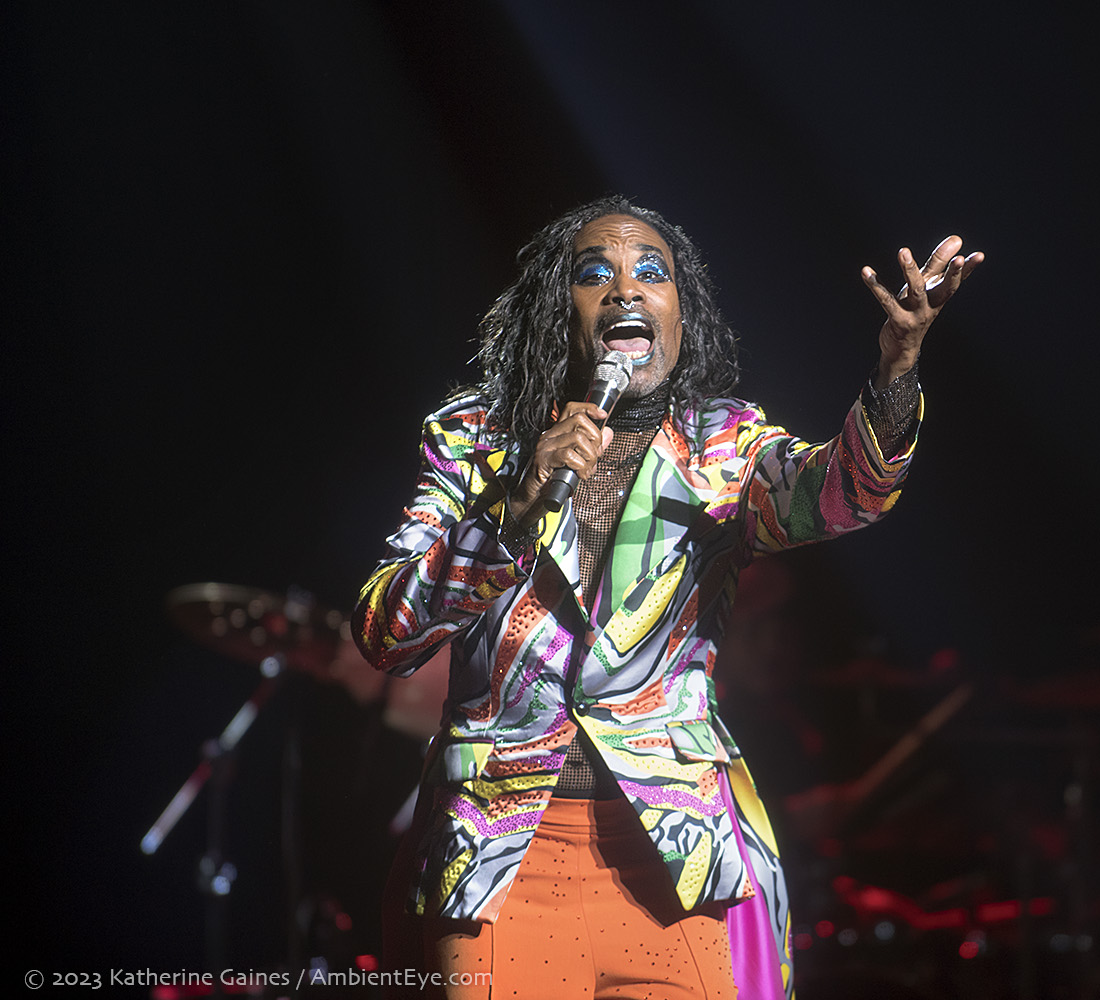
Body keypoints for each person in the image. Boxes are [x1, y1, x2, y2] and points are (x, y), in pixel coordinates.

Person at [354, 196, 981, 998]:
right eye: (595, 274)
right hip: (495, 860)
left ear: (682, 315)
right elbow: (384, 629)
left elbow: (842, 494)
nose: (626, 289)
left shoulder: (724, 446)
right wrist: (511, 507)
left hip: (666, 861)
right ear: (559, 309)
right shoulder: (474, 441)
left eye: (652, 272)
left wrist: (896, 373)